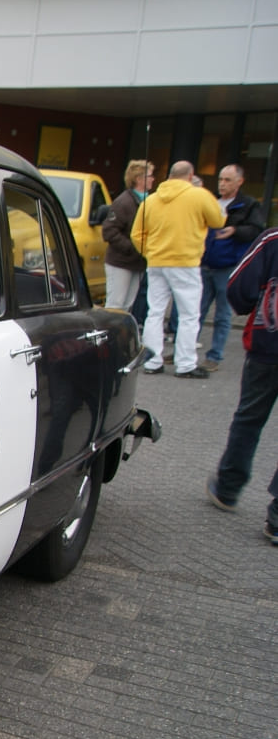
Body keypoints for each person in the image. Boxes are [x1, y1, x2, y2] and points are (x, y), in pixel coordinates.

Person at [206, 227, 278, 545]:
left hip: (268, 344)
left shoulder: (273, 240)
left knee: (249, 418)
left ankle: (228, 487)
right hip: (267, 345)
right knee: (248, 418)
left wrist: (254, 306)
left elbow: (239, 285)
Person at [130, 160, 224, 378]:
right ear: (190, 176)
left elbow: (137, 234)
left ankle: (152, 360)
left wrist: (151, 252)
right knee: (189, 314)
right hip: (185, 261)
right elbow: (218, 220)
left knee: (155, 311)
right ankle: (185, 363)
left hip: (156, 261)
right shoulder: (198, 196)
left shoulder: (151, 200)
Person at [196, 163, 262, 371]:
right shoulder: (210, 200)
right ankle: (185, 351)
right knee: (195, 311)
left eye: (227, 180)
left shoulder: (249, 205)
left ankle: (214, 356)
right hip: (204, 263)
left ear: (239, 182)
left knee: (222, 314)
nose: (222, 184)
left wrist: (234, 230)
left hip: (227, 266)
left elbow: (256, 230)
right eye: (220, 180)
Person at [101, 159, 154, 314]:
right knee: (115, 304)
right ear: (139, 179)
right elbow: (109, 231)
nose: (153, 179)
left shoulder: (149, 201)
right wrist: (133, 248)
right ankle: (109, 336)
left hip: (137, 263)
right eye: (150, 176)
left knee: (127, 305)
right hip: (120, 262)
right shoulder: (124, 202)